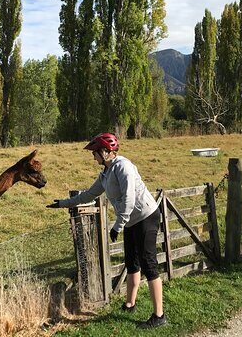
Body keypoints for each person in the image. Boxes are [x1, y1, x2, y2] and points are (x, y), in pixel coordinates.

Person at [47, 133, 166, 328]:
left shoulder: (123, 167)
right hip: (130, 221)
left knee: (148, 264)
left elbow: (128, 199)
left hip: (145, 217)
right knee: (132, 262)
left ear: (105, 151)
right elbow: (88, 195)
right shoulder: (105, 174)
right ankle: (130, 304)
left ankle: (159, 316)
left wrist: (118, 225)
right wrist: (63, 204)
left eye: (95, 153)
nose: (93, 157)